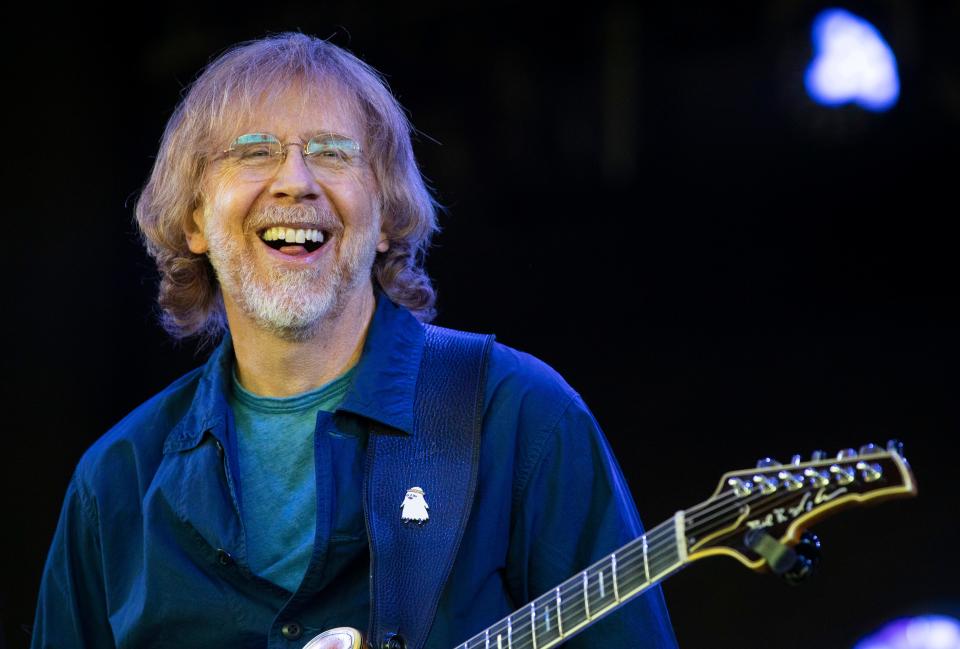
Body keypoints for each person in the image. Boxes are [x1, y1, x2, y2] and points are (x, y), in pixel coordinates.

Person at [30, 32, 678, 649]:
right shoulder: (114, 483)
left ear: (388, 218)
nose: (295, 181)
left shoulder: (520, 416)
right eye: (254, 151)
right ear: (194, 218)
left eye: (333, 152)